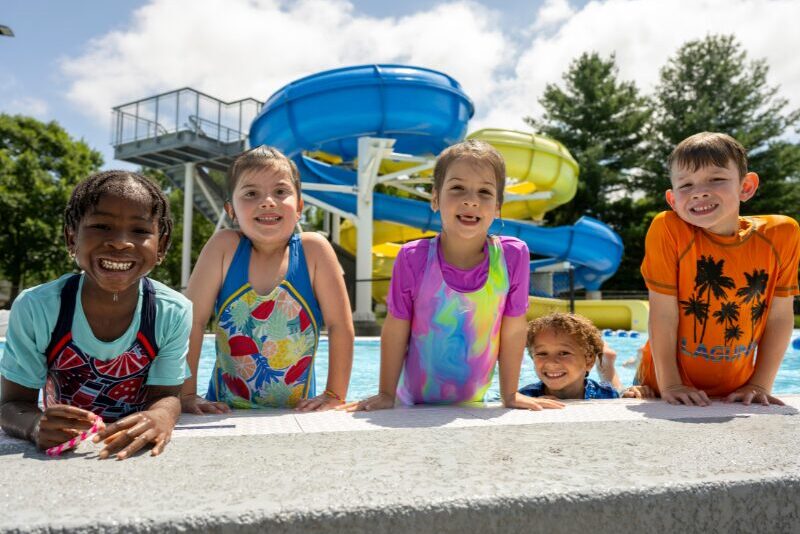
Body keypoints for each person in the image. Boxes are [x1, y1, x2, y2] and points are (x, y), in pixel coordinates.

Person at [345, 139, 563, 411]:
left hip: (474, 403)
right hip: (410, 401)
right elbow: (396, 327)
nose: (471, 200)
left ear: (498, 206)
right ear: (435, 198)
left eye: (484, 192)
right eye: (457, 188)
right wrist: (386, 394)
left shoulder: (512, 256)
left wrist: (510, 395)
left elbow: (514, 329)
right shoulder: (414, 258)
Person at [0, 171, 191, 459]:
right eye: (102, 226)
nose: (120, 242)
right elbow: (12, 403)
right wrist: (35, 425)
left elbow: (166, 395)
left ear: (161, 246)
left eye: (140, 231)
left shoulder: (171, 311)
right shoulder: (38, 308)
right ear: (71, 237)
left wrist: (160, 417)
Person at [181, 146, 353, 413]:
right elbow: (192, 322)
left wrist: (334, 394)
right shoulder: (223, 248)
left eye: (281, 192)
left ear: (299, 207)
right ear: (231, 210)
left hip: (298, 409)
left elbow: (340, 325)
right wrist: (187, 395)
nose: (267, 201)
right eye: (251, 194)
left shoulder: (313, 251)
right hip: (224, 407)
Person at [636, 132, 800, 406]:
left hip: (735, 390)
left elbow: (779, 316)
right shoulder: (668, 229)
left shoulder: (781, 234)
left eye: (716, 179)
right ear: (673, 200)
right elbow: (663, 314)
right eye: (686, 184)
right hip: (659, 384)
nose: (699, 191)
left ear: (746, 187)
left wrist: (759, 385)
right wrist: (671, 384)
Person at [519, 313, 653, 400]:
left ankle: (606, 365)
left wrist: (632, 393)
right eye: (542, 354)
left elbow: (622, 398)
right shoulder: (526, 396)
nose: (551, 362)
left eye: (564, 353)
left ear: (589, 361)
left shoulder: (605, 394)